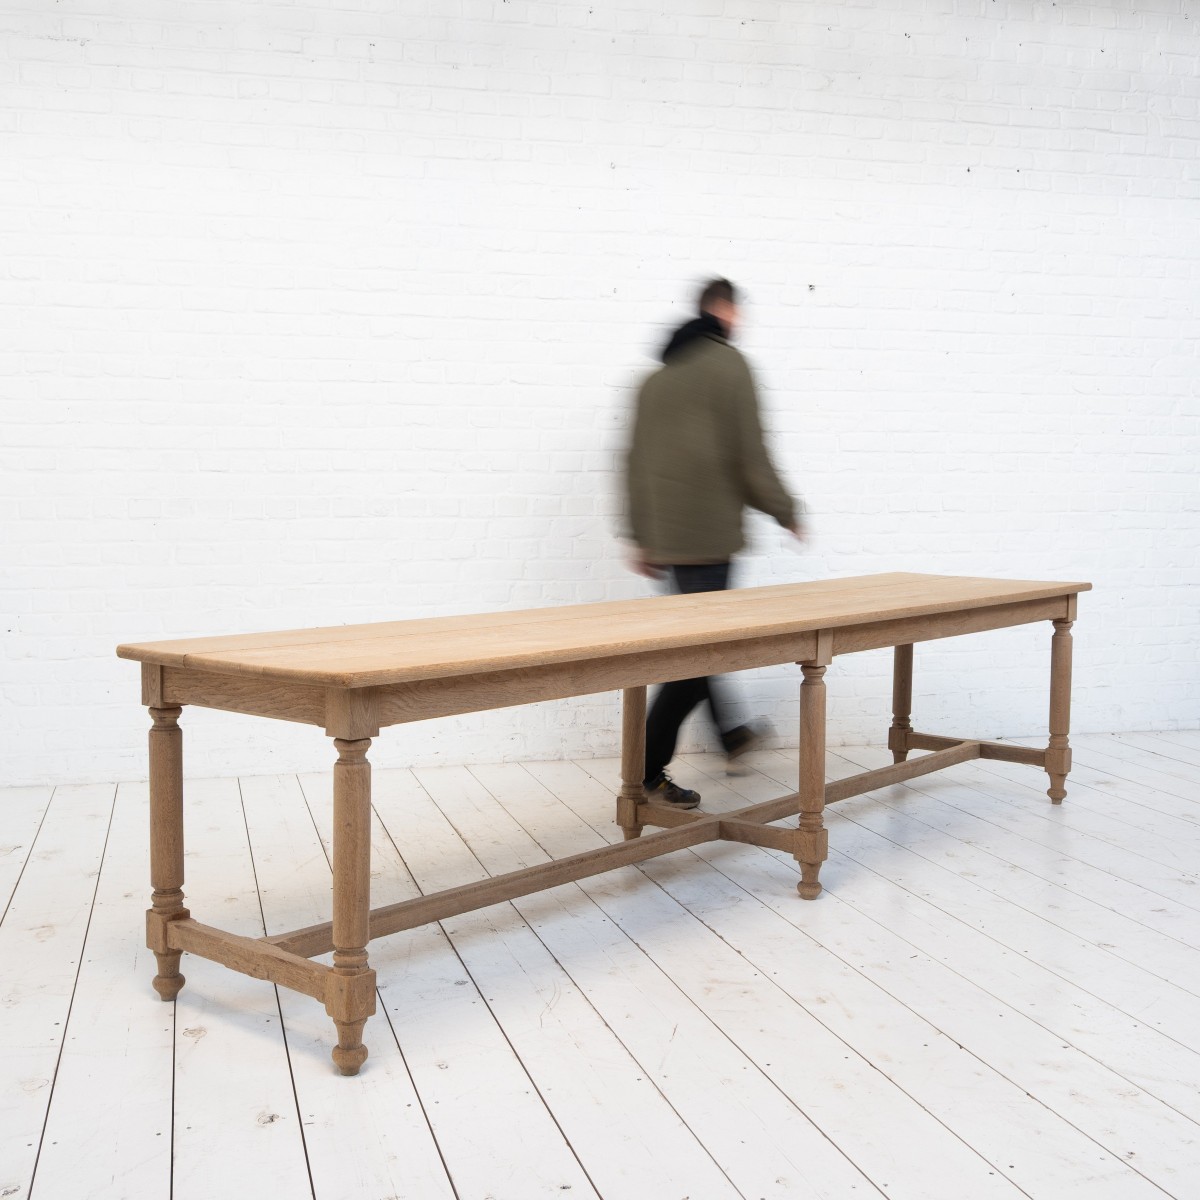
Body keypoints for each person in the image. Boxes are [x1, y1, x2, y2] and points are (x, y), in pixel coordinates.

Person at [624, 278, 803, 808]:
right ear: (724, 311)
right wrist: (785, 509)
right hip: (709, 537)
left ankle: (730, 733)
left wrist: (641, 535)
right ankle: (645, 772)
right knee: (695, 659)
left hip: (668, 538)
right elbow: (751, 454)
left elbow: (632, 462)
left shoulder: (654, 380)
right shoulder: (731, 366)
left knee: (701, 647)